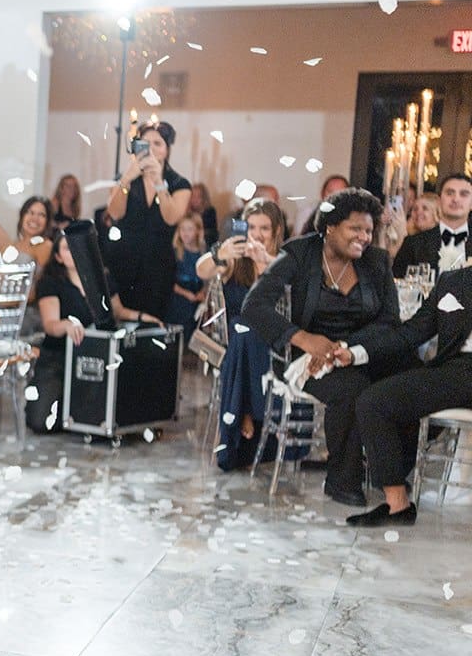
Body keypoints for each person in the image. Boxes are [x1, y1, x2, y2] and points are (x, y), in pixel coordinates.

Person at [242, 188, 405, 507]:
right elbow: (255, 305)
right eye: (355, 229)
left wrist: (345, 348)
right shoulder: (299, 253)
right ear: (330, 227)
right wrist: (303, 339)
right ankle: (343, 479)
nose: (364, 237)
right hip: (304, 357)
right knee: (353, 387)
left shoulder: (376, 261)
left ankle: (395, 471)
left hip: (357, 351)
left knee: (408, 374)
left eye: (369, 230)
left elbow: (389, 322)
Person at [342, 263, 472, 526]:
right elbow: (411, 332)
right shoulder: (453, 281)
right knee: (373, 402)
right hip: (457, 371)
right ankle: (397, 504)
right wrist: (355, 352)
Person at [24, 225, 159, 433]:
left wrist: (143, 317)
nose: (74, 253)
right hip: (58, 357)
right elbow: (50, 325)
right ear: (59, 257)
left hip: (96, 358)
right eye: (67, 249)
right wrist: (68, 324)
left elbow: (117, 311)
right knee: (41, 421)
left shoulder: (101, 277)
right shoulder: (51, 283)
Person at [204, 198, 287, 469]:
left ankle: (244, 411)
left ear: (276, 231)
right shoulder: (235, 259)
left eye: (264, 228)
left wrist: (267, 263)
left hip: (273, 345)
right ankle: (248, 411)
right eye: (251, 227)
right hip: (233, 344)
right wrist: (220, 254)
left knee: (249, 331)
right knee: (242, 330)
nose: (257, 234)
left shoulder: (284, 261)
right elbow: (200, 269)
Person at [106, 121, 191, 321]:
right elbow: (115, 212)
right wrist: (126, 179)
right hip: (124, 260)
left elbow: (171, 218)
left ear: (167, 150)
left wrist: (159, 182)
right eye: (145, 143)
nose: (151, 149)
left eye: (157, 143)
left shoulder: (179, 183)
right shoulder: (125, 178)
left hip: (158, 264)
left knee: (155, 323)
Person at [392, 172, 471, 277]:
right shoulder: (413, 244)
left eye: (464, 194)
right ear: (439, 200)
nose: (456, 199)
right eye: (449, 193)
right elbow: (397, 286)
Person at [164, 212, 208, 331]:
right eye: (182, 229)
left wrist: (202, 292)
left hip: (197, 295)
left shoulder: (203, 253)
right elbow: (168, 280)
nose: (185, 233)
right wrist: (188, 295)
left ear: (198, 231)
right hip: (179, 296)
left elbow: (208, 279)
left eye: (189, 229)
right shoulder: (175, 252)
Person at [13, 195, 53, 267]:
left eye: (41, 215)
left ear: (47, 221)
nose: (34, 219)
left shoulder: (46, 246)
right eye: (30, 212)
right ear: (22, 216)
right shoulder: (15, 244)